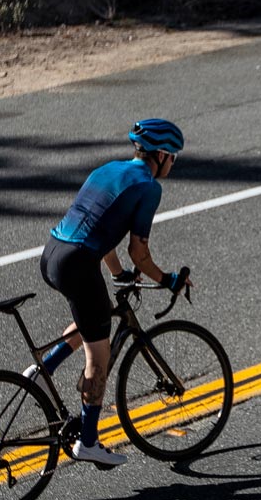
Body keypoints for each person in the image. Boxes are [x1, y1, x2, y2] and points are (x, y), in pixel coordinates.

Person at [30, 118, 190, 468]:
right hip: (77, 265)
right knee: (97, 358)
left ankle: (42, 371)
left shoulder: (108, 169)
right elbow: (139, 252)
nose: (173, 164)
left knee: (92, 320)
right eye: (173, 157)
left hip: (52, 254)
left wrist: (118, 275)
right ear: (161, 154)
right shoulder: (148, 188)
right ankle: (88, 442)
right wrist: (168, 280)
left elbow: (100, 232)